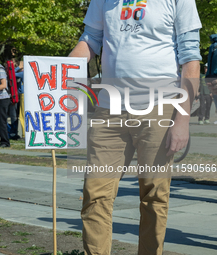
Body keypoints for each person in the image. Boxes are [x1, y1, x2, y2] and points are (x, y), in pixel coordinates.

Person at [69, 1, 201, 254]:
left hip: (159, 107)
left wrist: (182, 120)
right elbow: (90, 40)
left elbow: (191, 58)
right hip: (109, 109)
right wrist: (54, 70)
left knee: (154, 196)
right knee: (95, 194)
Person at [15, 61, 25, 139]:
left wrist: (19, 67)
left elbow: (11, 74)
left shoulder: (23, 73)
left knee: (22, 115)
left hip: (23, 94)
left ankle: (24, 134)